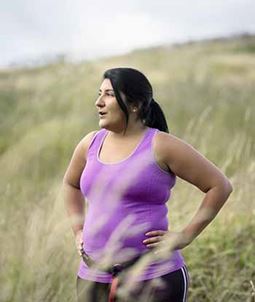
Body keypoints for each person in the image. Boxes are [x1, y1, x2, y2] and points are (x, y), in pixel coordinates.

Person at [62, 67, 233, 302]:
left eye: (109, 94)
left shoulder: (161, 145)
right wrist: (78, 230)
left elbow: (219, 186)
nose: (98, 102)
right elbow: (71, 184)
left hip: (155, 279)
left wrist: (184, 236)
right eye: (99, 93)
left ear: (135, 105)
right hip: (93, 277)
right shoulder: (89, 144)